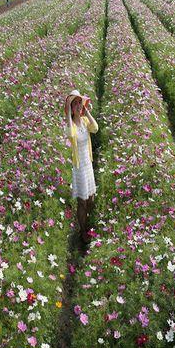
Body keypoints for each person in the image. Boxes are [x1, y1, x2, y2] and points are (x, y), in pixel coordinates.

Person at [65, 90, 98, 244]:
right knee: (82, 201)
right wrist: (68, 115)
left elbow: (95, 128)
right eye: (75, 104)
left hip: (88, 165)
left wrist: (87, 111)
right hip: (79, 168)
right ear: (71, 108)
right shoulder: (71, 125)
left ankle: (88, 225)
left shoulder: (85, 121)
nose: (78, 106)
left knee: (91, 199)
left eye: (80, 103)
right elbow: (71, 135)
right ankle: (83, 230)